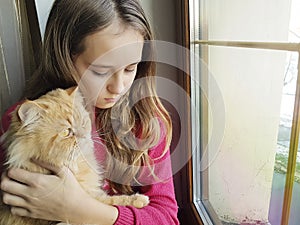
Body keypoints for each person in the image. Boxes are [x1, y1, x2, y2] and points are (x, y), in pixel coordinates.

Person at [0, 0, 180, 224]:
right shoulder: (20, 123)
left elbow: (167, 218)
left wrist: (79, 210)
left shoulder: (146, 123)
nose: (119, 86)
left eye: (130, 68)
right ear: (64, 56)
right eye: (101, 71)